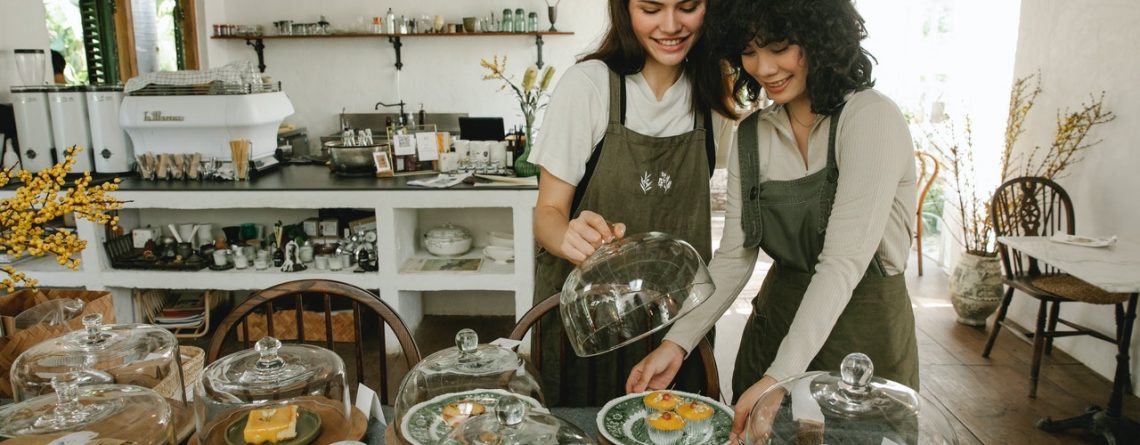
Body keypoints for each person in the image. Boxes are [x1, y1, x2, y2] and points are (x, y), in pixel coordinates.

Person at [625, 0, 919, 436]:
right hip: (774, 334)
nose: (764, 67)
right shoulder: (752, 135)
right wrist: (677, 342)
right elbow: (733, 258)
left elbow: (842, 263)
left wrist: (780, 375)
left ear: (820, 37)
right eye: (748, 50)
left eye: (780, 47)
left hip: (864, 340)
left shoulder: (870, 118)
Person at [529, 0, 736, 406]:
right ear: (625, 10)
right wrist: (570, 235)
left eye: (688, 7)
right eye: (652, 8)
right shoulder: (588, 85)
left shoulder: (712, 96)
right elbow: (547, 215)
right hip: (588, 323)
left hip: (676, 326)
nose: (671, 25)